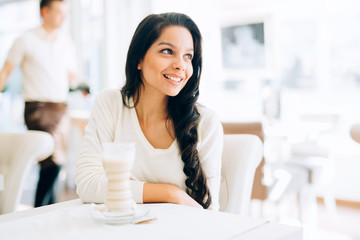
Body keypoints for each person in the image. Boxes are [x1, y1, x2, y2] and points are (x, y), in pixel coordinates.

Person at [75, 12, 223, 210]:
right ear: (139, 59)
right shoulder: (110, 103)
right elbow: (88, 184)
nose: (180, 65)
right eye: (168, 51)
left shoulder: (206, 122)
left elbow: (209, 211)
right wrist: (170, 194)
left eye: (188, 56)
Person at [0, 0, 81, 207]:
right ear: (45, 12)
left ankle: (46, 210)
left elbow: (72, 77)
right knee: (52, 162)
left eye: (67, 13)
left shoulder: (66, 43)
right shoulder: (25, 40)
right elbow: (6, 71)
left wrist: (82, 86)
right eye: (60, 12)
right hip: (38, 109)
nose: (64, 18)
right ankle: (40, 211)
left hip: (61, 109)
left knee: (56, 164)